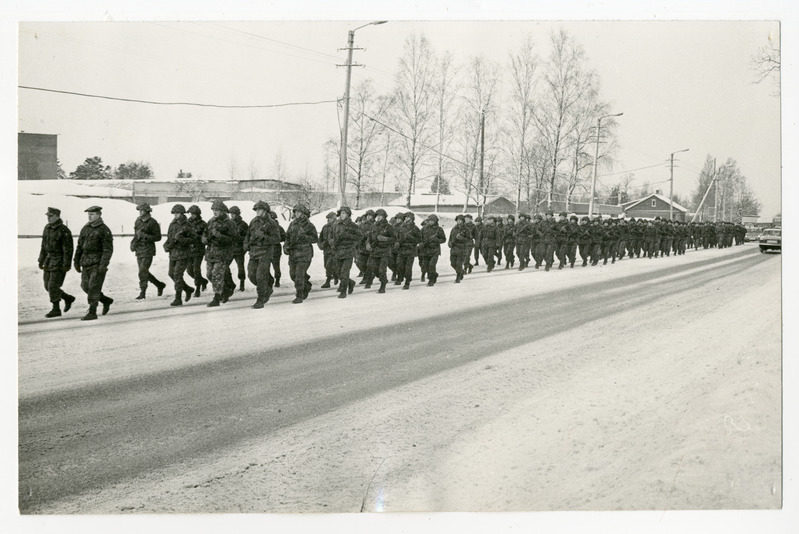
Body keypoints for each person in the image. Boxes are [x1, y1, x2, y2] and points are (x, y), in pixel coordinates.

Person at [73, 206, 114, 320]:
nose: (90, 216)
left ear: (99, 215)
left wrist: (103, 265)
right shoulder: (85, 228)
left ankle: (92, 312)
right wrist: (76, 261)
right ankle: (106, 300)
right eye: (89, 214)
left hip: (97, 263)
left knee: (93, 287)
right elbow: (79, 246)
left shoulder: (104, 229)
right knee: (85, 286)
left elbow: (108, 249)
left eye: (92, 214)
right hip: (86, 262)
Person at [244, 201, 282, 309]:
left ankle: (260, 299)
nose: (257, 211)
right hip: (254, 252)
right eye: (256, 209)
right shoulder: (253, 221)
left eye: (259, 209)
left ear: (265, 211)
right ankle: (268, 285)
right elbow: (248, 235)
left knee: (260, 277)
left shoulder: (272, 223)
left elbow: (277, 239)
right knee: (251, 275)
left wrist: (264, 237)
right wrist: (246, 244)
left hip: (265, 253)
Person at [38, 206, 75, 318]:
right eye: (48, 216)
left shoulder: (64, 230)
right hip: (48, 261)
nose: (48, 218)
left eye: (51, 216)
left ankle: (56, 309)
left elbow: (68, 249)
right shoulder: (47, 228)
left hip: (59, 261)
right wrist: (41, 260)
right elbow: (43, 246)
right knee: (47, 286)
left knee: (53, 285)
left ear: (57, 216)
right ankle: (67, 298)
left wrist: (66, 264)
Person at [203, 200, 238, 307]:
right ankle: (226, 290)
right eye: (213, 210)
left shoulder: (230, 223)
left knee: (216, 275)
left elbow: (234, 239)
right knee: (209, 274)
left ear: (223, 211)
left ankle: (216, 299)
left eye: (217, 210)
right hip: (211, 253)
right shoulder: (211, 221)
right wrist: (204, 238)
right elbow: (205, 233)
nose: (215, 212)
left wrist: (219, 236)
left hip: (223, 253)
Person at [162, 204, 196, 306]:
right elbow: (169, 237)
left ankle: (178, 298)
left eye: (177, 213)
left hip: (183, 253)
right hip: (173, 253)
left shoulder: (187, 225)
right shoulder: (172, 224)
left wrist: (182, 240)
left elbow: (193, 239)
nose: (175, 215)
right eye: (174, 213)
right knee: (171, 273)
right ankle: (188, 289)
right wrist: (166, 245)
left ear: (182, 213)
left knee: (177, 274)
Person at [284, 204, 318, 303]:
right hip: (293, 253)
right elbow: (287, 237)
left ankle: (299, 295)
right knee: (293, 275)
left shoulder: (309, 225)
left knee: (299, 275)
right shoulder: (292, 224)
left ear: (303, 213)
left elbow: (315, 239)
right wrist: (285, 246)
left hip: (304, 254)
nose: (297, 214)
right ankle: (306, 284)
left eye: (299, 212)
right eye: (295, 212)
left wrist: (305, 237)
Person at [131, 202, 165, 299]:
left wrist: (145, 236)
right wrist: (133, 243)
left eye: (142, 210)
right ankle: (159, 285)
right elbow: (136, 235)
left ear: (147, 211)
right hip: (139, 249)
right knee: (144, 271)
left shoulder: (152, 222)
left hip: (148, 249)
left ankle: (143, 292)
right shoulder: (137, 221)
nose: (140, 212)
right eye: (139, 210)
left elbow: (158, 237)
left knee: (142, 271)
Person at [331, 206, 361, 298]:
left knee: (344, 272)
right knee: (337, 272)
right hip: (338, 251)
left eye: (344, 213)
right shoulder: (336, 225)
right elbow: (332, 236)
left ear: (348, 214)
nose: (342, 215)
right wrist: (332, 242)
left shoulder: (352, 225)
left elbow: (359, 237)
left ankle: (343, 291)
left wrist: (348, 236)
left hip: (348, 251)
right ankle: (350, 282)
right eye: (341, 213)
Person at [365, 208, 397, 293]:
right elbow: (369, 238)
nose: (378, 217)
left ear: (384, 217)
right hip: (374, 251)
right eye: (377, 216)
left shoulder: (389, 227)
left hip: (384, 251)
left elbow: (394, 239)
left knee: (382, 270)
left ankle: (382, 286)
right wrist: (367, 244)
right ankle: (384, 280)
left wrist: (385, 239)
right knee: (373, 268)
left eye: (380, 216)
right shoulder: (373, 226)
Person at [186, 205, 209, 297]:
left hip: (199, 249)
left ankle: (197, 288)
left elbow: (206, 237)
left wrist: (197, 237)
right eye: (191, 214)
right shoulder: (187, 223)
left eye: (194, 214)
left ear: (198, 214)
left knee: (196, 270)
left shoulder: (203, 224)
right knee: (189, 270)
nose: (192, 215)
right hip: (189, 250)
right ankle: (203, 281)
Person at [395, 211, 421, 289]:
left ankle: (407, 282)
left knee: (408, 268)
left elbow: (419, 239)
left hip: (410, 250)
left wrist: (410, 238)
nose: (407, 219)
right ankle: (400, 278)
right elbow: (397, 237)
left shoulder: (415, 228)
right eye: (406, 217)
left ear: (412, 218)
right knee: (399, 266)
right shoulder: (401, 227)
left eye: (408, 217)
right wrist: (397, 242)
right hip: (401, 249)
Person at [420, 214, 447, 286]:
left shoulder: (439, 229)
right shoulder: (423, 229)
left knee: (431, 265)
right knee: (425, 266)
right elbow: (420, 238)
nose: (431, 222)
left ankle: (431, 281)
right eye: (430, 220)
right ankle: (434, 275)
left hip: (435, 250)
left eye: (432, 221)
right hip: (425, 250)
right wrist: (421, 243)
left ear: (435, 221)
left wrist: (437, 240)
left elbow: (443, 239)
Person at [228, 206, 249, 291]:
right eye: (231, 214)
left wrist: (238, 238)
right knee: (225, 266)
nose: (231, 216)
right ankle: (230, 284)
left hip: (239, 250)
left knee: (240, 267)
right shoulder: (229, 223)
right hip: (230, 249)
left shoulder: (243, 224)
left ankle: (242, 283)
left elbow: (247, 237)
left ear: (237, 214)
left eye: (233, 214)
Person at [318, 211, 339, 288]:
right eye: (328, 218)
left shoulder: (337, 226)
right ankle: (335, 276)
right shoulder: (325, 227)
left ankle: (328, 281)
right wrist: (320, 245)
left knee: (329, 265)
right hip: (326, 250)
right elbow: (320, 237)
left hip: (334, 250)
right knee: (326, 265)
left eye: (331, 218)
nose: (329, 219)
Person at [449, 214, 471, 283]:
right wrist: (449, 243)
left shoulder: (466, 230)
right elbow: (450, 237)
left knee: (459, 264)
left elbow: (468, 240)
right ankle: (461, 272)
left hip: (462, 249)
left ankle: (458, 278)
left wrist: (461, 238)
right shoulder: (454, 229)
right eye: (458, 220)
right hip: (454, 249)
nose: (459, 221)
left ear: (463, 221)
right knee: (452, 263)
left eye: (460, 220)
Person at [269, 211, 286, 287]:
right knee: (266, 266)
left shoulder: (279, 228)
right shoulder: (265, 226)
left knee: (276, 266)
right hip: (268, 249)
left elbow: (284, 237)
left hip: (276, 249)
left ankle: (277, 280)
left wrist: (276, 239)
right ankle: (270, 280)